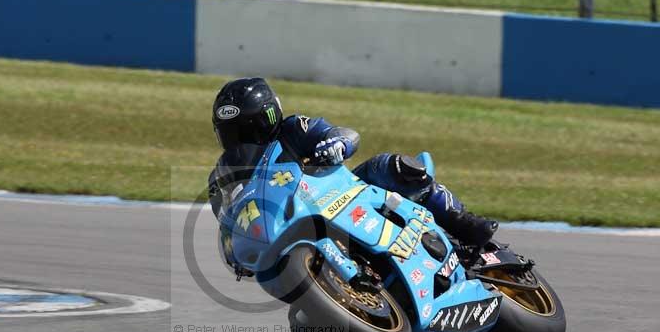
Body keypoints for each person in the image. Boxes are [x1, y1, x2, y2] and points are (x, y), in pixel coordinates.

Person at [208, 77, 498, 246]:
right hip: (294, 228)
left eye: (248, 128)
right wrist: (233, 245)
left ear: (269, 118)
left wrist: (337, 144)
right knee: (310, 330)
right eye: (233, 132)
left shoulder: (295, 128)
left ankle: (461, 221)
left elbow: (345, 134)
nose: (242, 139)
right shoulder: (222, 176)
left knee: (392, 166)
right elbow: (228, 220)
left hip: (343, 195)